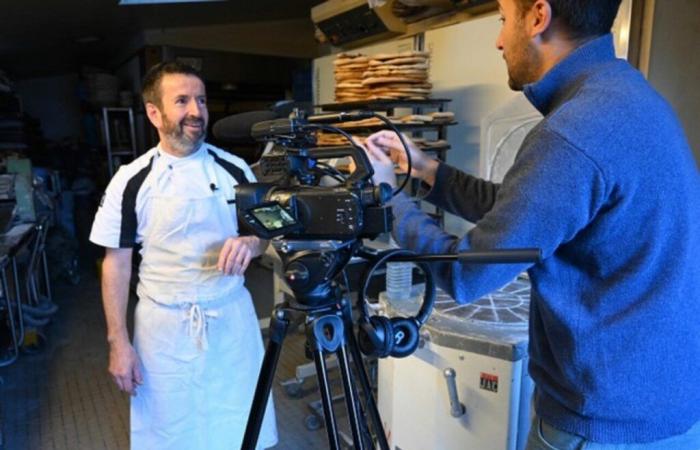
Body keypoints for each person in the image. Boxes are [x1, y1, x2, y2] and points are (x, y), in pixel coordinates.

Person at [364, 0, 700, 448]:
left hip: (600, 427)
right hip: (666, 410)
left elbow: (468, 273)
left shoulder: (573, 130)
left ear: (538, 17)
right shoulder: (631, 97)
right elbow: (528, 211)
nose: (500, 39)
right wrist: (428, 172)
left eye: (504, 20)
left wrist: (387, 199)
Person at [89, 61, 278, 450]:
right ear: (154, 112)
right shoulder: (131, 180)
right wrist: (118, 343)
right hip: (165, 330)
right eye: (182, 101)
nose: (197, 111)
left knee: (239, 422)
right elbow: (116, 263)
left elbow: (263, 234)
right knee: (171, 432)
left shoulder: (236, 169)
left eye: (201, 100)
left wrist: (250, 243)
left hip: (230, 322)